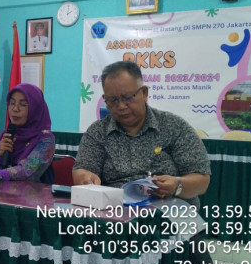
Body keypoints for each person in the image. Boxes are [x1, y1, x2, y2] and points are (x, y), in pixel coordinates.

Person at [73, 61, 210, 207]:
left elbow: (202, 180)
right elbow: (82, 169)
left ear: (144, 93)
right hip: (116, 212)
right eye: (113, 100)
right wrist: (84, 177)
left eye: (127, 97)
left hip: (170, 213)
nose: (121, 106)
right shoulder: (97, 132)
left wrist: (177, 185)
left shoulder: (174, 126)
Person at [0, 83, 55, 181]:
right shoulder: (7, 134)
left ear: (35, 108)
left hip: (35, 190)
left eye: (22, 105)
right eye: (12, 103)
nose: (15, 109)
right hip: (1, 189)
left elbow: (28, 171)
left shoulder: (45, 140)